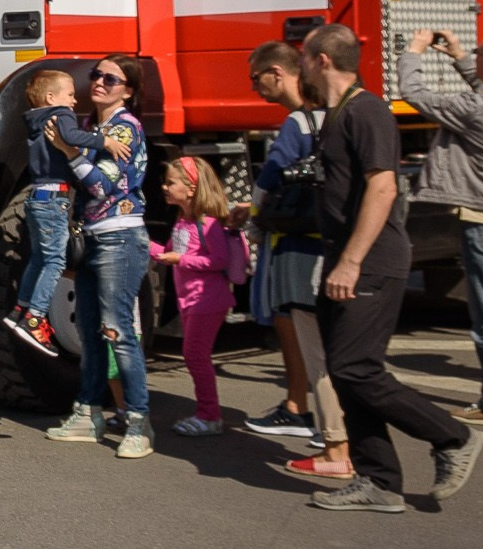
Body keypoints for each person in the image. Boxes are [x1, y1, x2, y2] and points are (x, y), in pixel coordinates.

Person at [299, 23, 480, 512]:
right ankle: (379, 481)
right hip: (344, 259)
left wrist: (352, 262)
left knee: (355, 368)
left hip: (371, 262)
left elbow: (384, 188)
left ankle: (453, 437)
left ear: (321, 60)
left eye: (303, 57)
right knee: (345, 371)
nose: (300, 66)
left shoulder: (368, 110)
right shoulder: (338, 113)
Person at [235, 42, 352, 477]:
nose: (254, 87)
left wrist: (253, 218)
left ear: (278, 73)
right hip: (336, 243)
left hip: (298, 246)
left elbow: (268, 181)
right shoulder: (338, 117)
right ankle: (338, 430)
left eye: (256, 78)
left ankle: (333, 441)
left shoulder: (298, 123)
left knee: (310, 342)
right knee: (337, 343)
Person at [44, 55, 154, 458]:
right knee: (90, 333)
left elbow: (102, 187)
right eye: (96, 75)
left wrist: (69, 151)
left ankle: (138, 422)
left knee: (117, 331)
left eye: (111, 79)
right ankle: (88, 414)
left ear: (128, 90)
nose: (100, 82)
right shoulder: (94, 128)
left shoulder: (126, 128)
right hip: (93, 237)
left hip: (120, 239)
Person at [399, 28, 483, 429]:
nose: (474, 58)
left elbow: (415, 94)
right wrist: (460, 56)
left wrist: (413, 51)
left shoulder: (478, 108)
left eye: (478, 54)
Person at [8, 67, 131, 356]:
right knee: (54, 261)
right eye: (71, 95)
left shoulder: (36, 120)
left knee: (39, 259)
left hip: (36, 196)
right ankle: (34, 319)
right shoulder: (60, 115)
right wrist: (105, 141)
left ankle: (20, 309)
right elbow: (70, 135)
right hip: (53, 198)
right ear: (51, 98)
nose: (75, 101)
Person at [152, 156, 242, 437]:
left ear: (191, 188)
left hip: (208, 300)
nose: (165, 187)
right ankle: (207, 413)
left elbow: (218, 260)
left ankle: (210, 415)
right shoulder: (183, 221)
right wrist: (141, 241)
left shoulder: (208, 222)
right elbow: (168, 253)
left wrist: (181, 259)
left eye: (171, 183)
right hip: (190, 300)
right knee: (195, 355)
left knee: (195, 356)